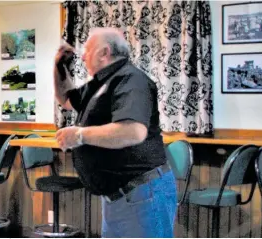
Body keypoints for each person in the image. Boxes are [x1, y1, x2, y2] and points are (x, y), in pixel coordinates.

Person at [53, 27, 177, 237]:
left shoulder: (131, 80)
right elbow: (66, 100)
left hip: (141, 195)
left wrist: (79, 135)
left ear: (104, 52)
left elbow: (133, 131)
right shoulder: (101, 84)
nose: (83, 55)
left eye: (88, 49)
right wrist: (60, 66)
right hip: (118, 198)